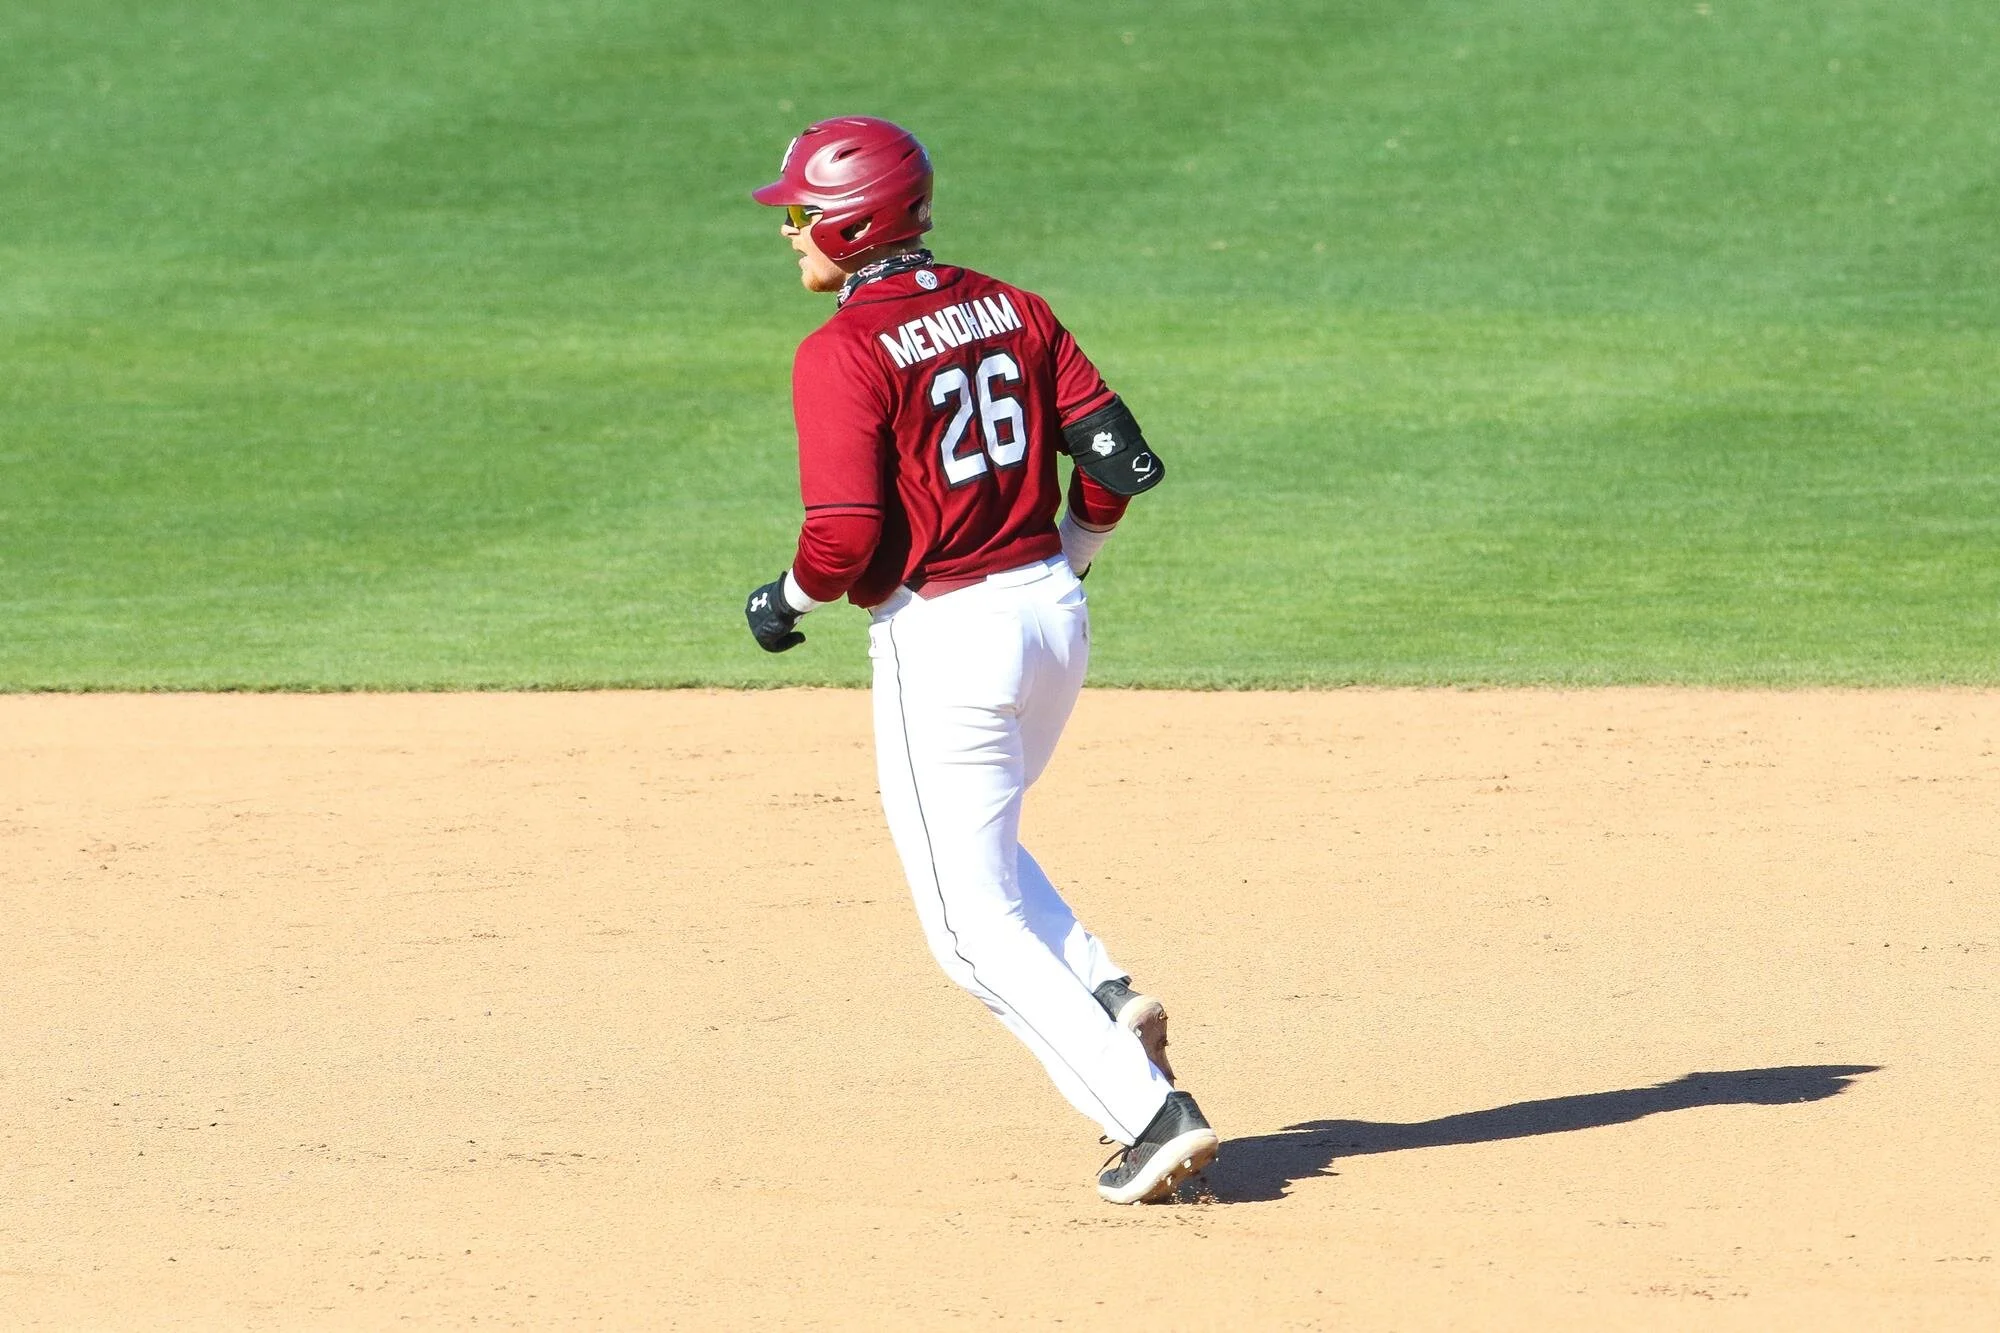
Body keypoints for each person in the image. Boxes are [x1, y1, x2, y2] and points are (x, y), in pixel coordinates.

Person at [741, 116, 1217, 1204]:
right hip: (1054, 622)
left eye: (803, 213)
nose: (789, 231)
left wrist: (785, 600)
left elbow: (844, 538)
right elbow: (1116, 458)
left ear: (851, 224)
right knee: (982, 848)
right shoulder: (1015, 306)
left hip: (949, 641)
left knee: (964, 931)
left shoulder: (842, 351)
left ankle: (1149, 1115)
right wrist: (1071, 555)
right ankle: (1102, 992)